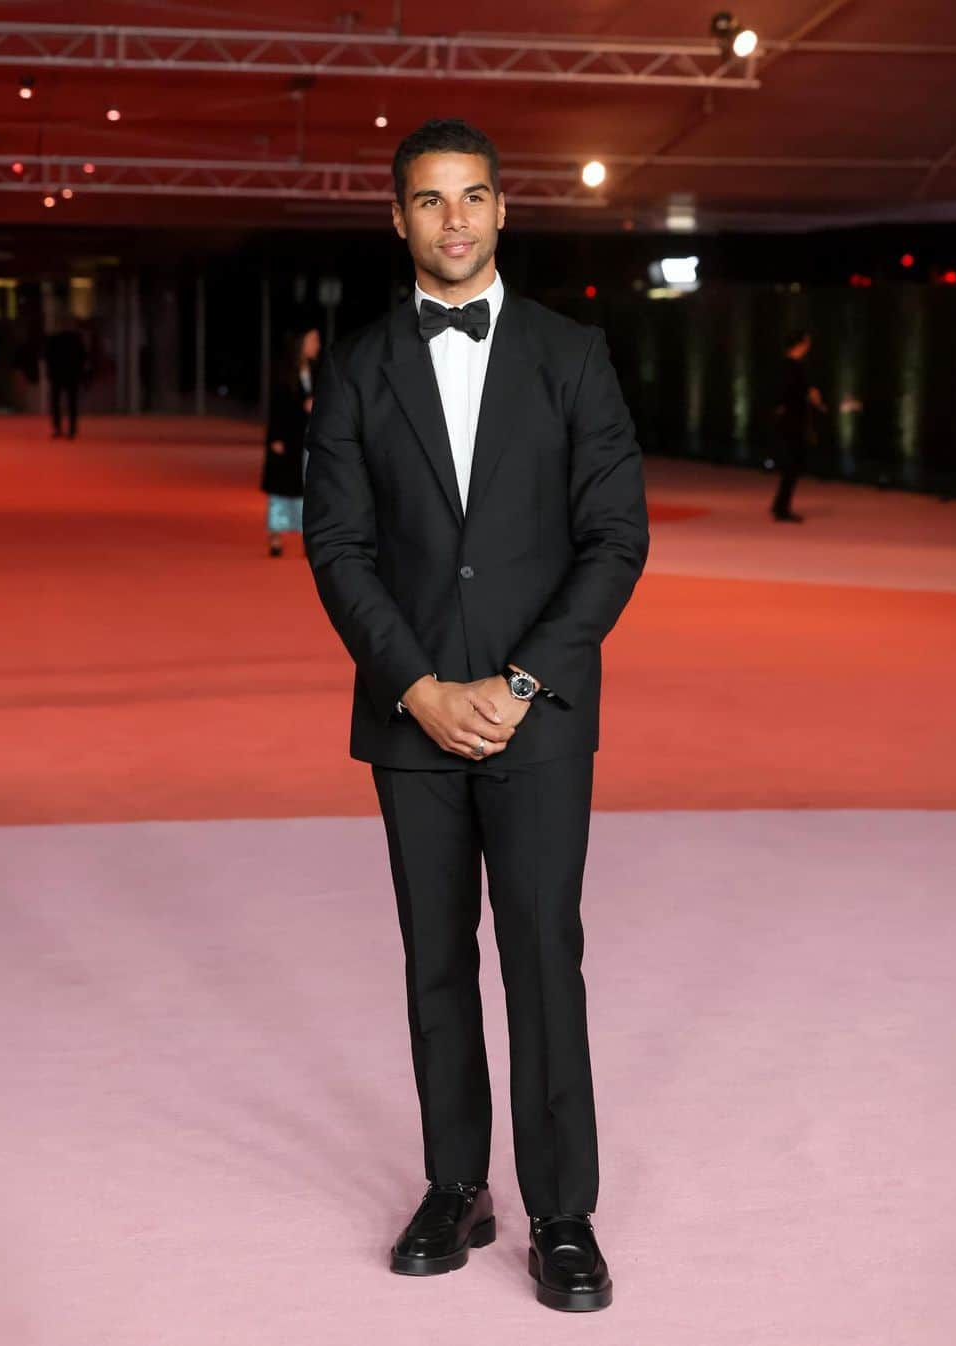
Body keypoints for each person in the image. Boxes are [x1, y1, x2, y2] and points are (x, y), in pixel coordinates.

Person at [303, 118, 649, 1312]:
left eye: (474, 197)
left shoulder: (573, 353)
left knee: (544, 956)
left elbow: (615, 540)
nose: (454, 219)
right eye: (429, 200)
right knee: (435, 959)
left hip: (537, 717)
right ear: (397, 220)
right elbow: (340, 545)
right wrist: (417, 686)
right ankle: (457, 1182)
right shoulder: (354, 366)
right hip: (409, 713)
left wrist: (513, 685)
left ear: (504, 212)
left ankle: (563, 1210)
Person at [262, 327, 320, 556]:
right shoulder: (284, 372)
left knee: (309, 487)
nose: (317, 344)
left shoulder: (316, 370)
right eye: (313, 340)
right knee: (281, 488)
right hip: (288, 437)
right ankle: (275, 536)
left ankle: (308, 536)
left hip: (308, 439)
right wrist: (274, 438)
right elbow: (277, 408)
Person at [770, 329, 825, 523]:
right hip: (793, 421)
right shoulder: (795, 368)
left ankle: (780, 505)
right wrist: (815, 400)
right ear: (801, 345)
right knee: (793, 465)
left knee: (791, 465)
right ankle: (781, 508)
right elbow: (801, 392)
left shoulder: (785, 366)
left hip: (788, 420)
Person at [45, 319, 87, 439]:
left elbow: (48, 357)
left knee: (57, 403)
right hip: (70, 374)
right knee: (71, 403)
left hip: (59, 375)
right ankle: (71, 429)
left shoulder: (55, 339)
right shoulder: (75, 340)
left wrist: (50, 372)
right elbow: (82, 356)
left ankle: (59, 428)